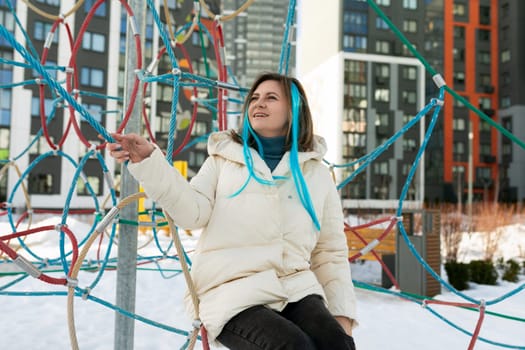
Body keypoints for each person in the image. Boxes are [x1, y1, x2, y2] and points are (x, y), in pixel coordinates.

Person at [108, 72, 358, 349]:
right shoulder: (224, 160)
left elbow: (330, 251)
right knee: (293, 346)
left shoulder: (317, 174)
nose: (258, 103)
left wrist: (342, 315)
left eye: (271, 98)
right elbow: (192, 212)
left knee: (338, 345)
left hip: (294, 288)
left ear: (294, 110)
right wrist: (149, 161)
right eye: (255, 98)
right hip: (232, 290)